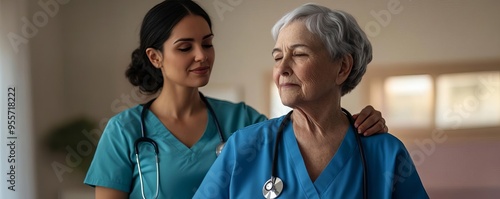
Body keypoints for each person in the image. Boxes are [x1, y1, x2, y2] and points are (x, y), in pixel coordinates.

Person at [84, 1, 389, 199]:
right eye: (184, 47)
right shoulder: (124, 131)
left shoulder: (243, 121)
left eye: (207, 44)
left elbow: (305, 134)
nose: (201, 56)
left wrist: (355, 122)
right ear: (155, 57)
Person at [194, 3, 429, 199]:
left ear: (342, 67)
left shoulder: (386, 153)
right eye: (278, 57)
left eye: (298, 54)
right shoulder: (243, 148)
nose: (282, 69)